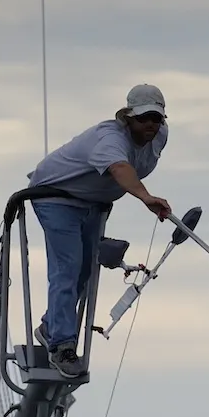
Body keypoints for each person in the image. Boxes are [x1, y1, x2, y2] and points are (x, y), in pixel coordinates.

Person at [26, 84, 173, 377]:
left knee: (84, 270)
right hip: (56, 197)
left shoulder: (159, 137)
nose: (151, 125)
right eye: (145, 119)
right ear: (128, 118)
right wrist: (146, 197)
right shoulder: (109, 139)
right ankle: (62, 345)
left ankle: (51, 327)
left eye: (157, 119)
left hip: (94, 203)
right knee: (67, 268)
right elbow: (120, 169)